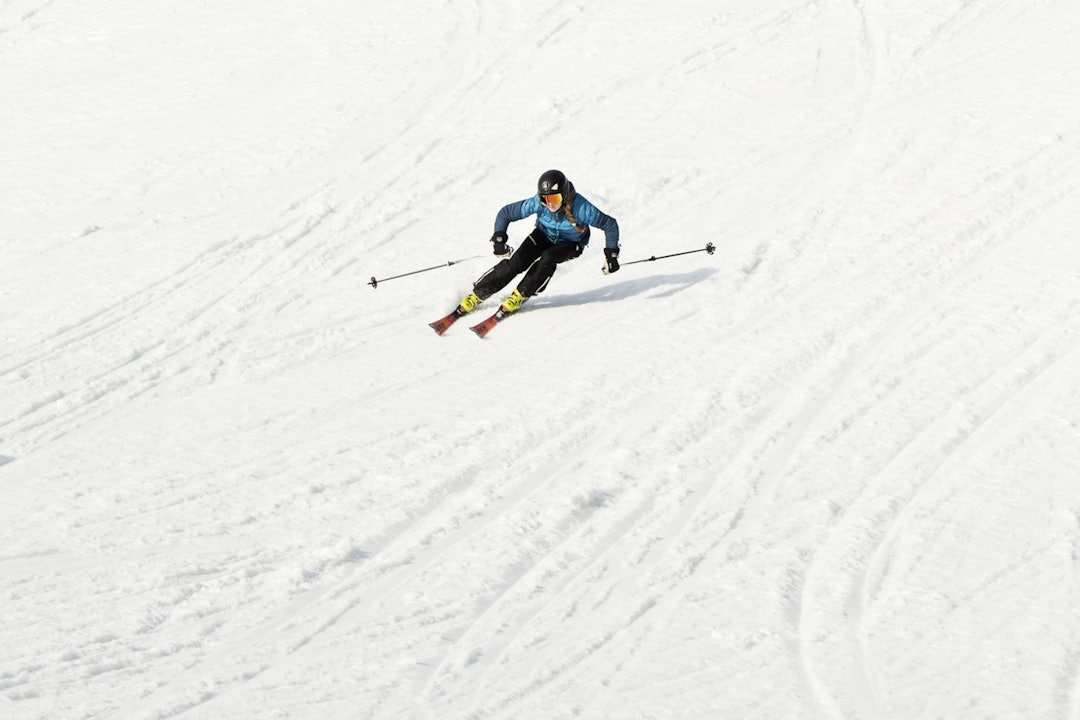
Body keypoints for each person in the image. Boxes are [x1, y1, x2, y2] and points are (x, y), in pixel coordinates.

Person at [456, 169, 620, 317]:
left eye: (554, 198)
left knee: (548, 258)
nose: (550, 204)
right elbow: (506, 213)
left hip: (572, 243)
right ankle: (479, 293)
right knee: (516, 262)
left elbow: (610, 225)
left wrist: (611, 255)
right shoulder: (538, 203)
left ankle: (521, 294)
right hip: (543, 234)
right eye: (545, 199)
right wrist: (499, 238)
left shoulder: (582, 208)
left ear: (564, 195)